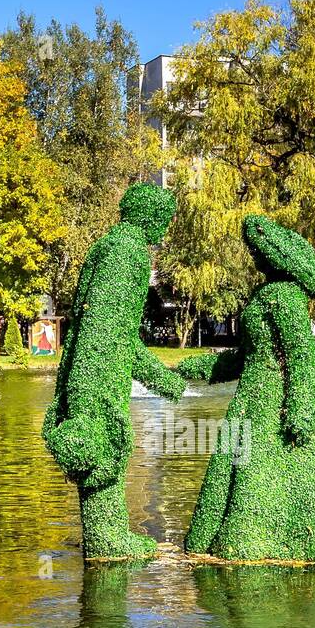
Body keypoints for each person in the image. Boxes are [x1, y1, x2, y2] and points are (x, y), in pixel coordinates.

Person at [176, 214, 315, 564]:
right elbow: (247, 357)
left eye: (256, 251)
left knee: (273, 471)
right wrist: (192, 369)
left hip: (275, 402)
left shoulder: (284, 296)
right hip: (251, 401)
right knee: (243, 464)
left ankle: (272, 541)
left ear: (274, 256)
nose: (253, 257)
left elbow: (301, 356)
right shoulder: (263, 295)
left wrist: (299, 408)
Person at [43, 183, 185, 560]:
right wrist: (157, 381)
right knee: (103, 450)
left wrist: (164, 380)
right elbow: (110, 333)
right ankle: (108, 543)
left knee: (98, 452)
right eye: (164, 221)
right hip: (100, 376)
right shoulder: (129, 252)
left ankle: (104, 538)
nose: (164, 230)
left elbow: (106, 330)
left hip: (89, 372)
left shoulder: (106, 245)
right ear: (150, 216)